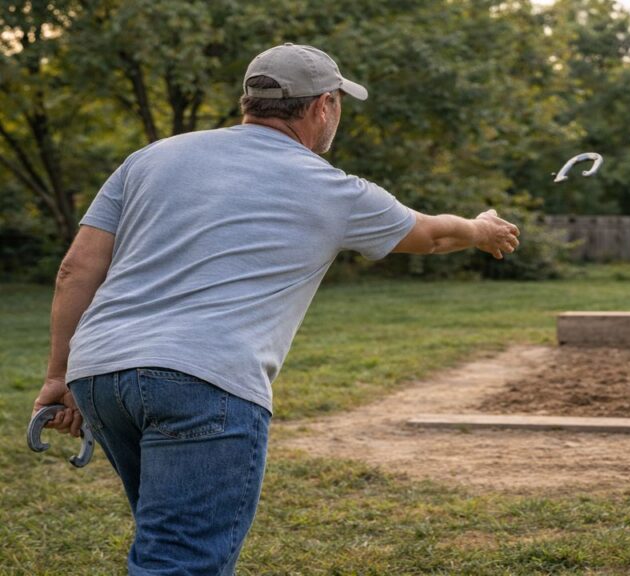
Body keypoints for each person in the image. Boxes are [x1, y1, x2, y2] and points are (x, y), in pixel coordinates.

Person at [32, 43, 520, 574]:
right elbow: (431, 236)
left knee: (163, 542)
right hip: (206, 382)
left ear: (251, 100)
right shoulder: (333, 189)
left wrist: (61, 375)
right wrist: (480, 229)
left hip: (101, 375)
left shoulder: (151, 157)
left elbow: (76, 270)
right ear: (323, 106)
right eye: (337, 106)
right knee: (180, 559)